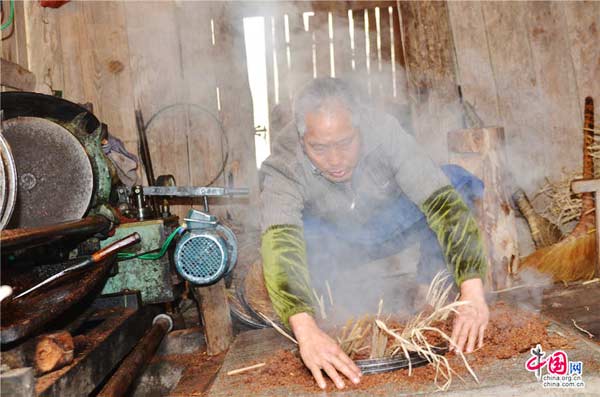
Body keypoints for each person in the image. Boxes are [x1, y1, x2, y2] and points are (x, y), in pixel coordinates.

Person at [259, 78, 489, 390]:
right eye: (319, 148)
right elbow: (280, 242)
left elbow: (442, 203)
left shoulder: (384, 132)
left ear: (360, 130)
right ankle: (328, 315)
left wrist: (473, 292)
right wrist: (305, 330)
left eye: (345, 144)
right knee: (297, 237)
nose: (336, 161)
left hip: (390, 222)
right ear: (302, 142)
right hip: (336, 241)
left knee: (456, 182)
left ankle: (429, 291)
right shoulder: (283, 164)